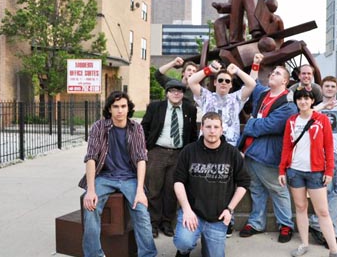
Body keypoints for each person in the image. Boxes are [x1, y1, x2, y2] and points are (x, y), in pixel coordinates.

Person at [79, 91, 157, 257]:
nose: (120, 110)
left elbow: (141, 159)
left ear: (128, 108)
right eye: (115, 106)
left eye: (123, 106)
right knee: (91, 208)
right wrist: (91, 190)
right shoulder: (99, 127)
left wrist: (140, 191)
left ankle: (148, 254)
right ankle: (94, 254)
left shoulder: (135, 128)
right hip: (105, 177)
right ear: (109, 109)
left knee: (141, 211)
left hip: (129, 177)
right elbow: (91, 158)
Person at [278, 87, 337, 257]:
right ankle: (304, 244)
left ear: (312, 101)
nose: (303, 102)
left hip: (316, 172)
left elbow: (329, 147)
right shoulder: (291, 121)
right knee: (300, 208)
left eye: (307, 98)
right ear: (296, 101)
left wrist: (329, 170)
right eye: (300, 99)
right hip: (295, 171)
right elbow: (286, 146)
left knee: (322, 211)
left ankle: (334, 251)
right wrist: (282, 170)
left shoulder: (321, 120)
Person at [238, 53, 297, 243]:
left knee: (278, 190)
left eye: (278, 73)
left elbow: (271, 125)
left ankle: (286, 225)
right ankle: (256, 222)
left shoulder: (288, 104)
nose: (272, 74)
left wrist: (250, 124)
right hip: (250, 152)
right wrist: (255, 65)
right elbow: (251, 83)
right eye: (272, 72)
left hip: (268, 154)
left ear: (285, 81)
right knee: (256, 189)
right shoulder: (263, 93)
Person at [173, 112, 250, 257]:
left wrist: (229, 209)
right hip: (193, 212)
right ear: (202, 128)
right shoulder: (189, 151)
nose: (212, 131)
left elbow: (243, 183)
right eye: (208, 126)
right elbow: (178, 182)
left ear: (222, 130)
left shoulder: (232, 153)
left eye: (216, 127)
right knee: (183, 242)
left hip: (218, 215)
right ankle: (184, 251)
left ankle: (206, 243)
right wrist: (187, 210)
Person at [141, 80, 198, 238]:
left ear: (183, 93)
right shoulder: (155, 107)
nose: (176, 93)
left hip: (179, 154)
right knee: (154, 189)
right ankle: (153, 223)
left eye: (179, 91)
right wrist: (146, 146)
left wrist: (189, 153)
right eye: (172, 90)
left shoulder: (190, 109)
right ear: (167, 93)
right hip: (157, 152)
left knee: (172, 190)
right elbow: (144, 126)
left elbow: (193, 133)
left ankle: (167, 223)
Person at [308, 76, 337, 246]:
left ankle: (316, 222)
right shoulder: (315, 107)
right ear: (322, 88)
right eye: (326, 86)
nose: (329, 88)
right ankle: (333, 233)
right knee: (328, 192)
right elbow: (306, 117)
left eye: (332, 86)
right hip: (322, 156)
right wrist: (321, 107)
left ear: (336, 89)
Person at [188, 60, 256, 147]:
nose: (224, 83)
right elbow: (191, 82)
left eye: (227, 81)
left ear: (231, 84)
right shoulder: (206, 97)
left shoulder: (236, 98)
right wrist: (209, 69)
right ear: (215, 82)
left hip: (229, 146)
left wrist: (237, 71)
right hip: (206, 145)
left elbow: (251, 84)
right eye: (220, 80)